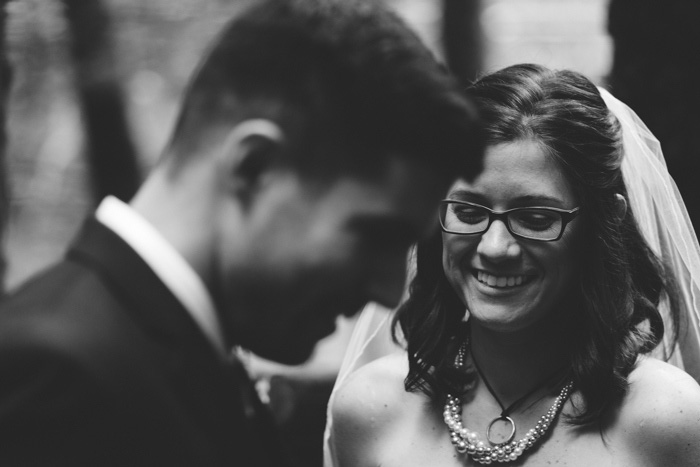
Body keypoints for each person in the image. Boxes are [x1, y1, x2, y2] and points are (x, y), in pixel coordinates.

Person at [0, 0, 483, 465]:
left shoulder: (191, 353)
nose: (387, 289)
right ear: (254, 167)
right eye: (375, 235)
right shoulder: (55, 374)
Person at [327, 63, 700, 466]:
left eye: (536, 219)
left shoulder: (667, 420)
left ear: (601, 225)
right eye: (469, 212)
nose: (495, 247)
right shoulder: (369, 411)